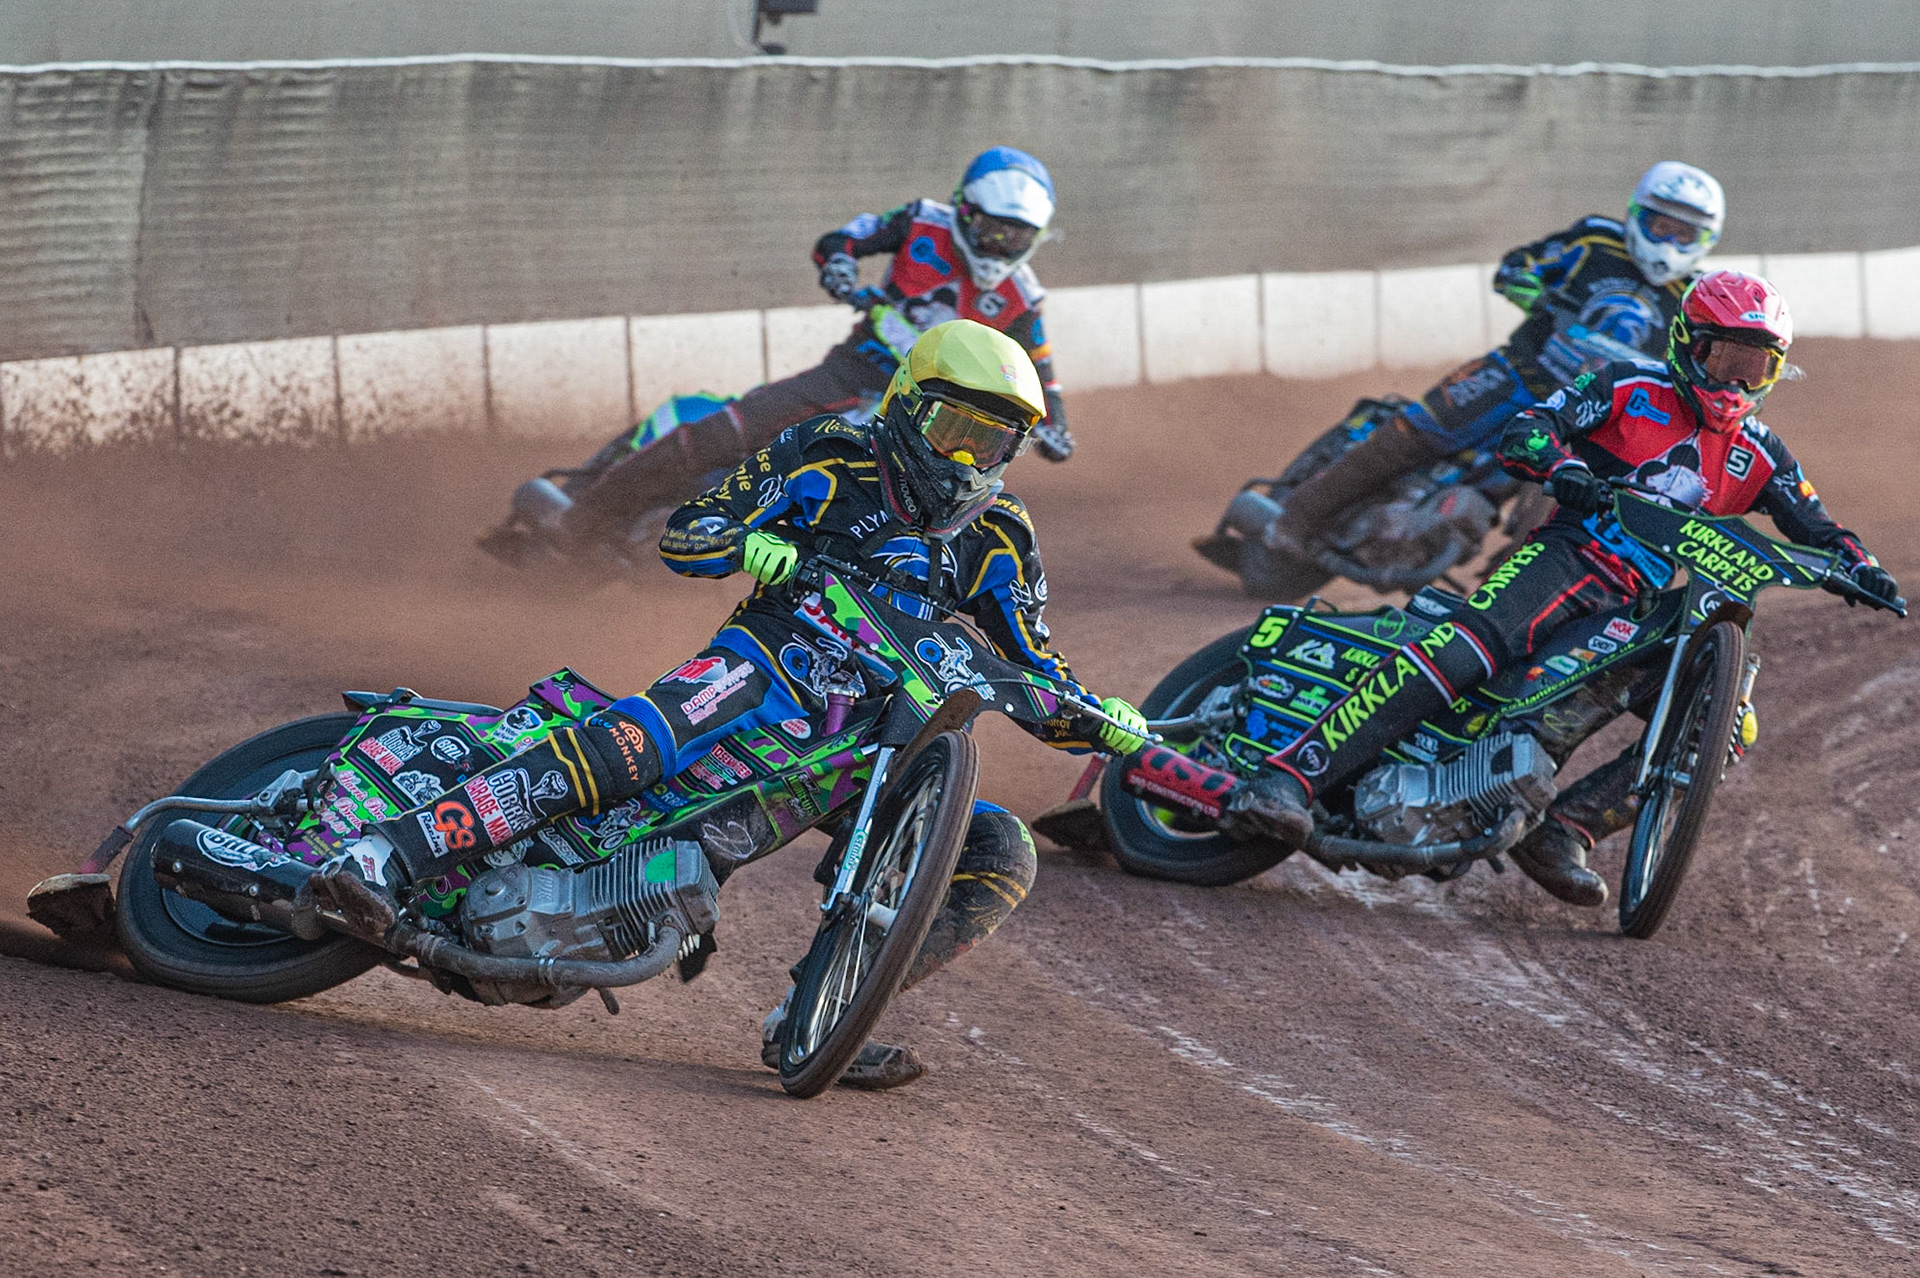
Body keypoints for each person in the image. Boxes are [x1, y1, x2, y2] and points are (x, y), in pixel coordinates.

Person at [320, 320, 1147, 1086]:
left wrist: (1104, 718)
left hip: (872, 733)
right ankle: (386, 855)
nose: (965, 457)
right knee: (644, 739)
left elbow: (1034, 662)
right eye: (950, 429)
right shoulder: (827, 451)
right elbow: (692, 528)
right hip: (763, 665)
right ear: (904, 404)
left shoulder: (1002, 534)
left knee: (1003, 851)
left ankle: (823, 1014)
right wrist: (744, 540)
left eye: (990, 439)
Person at [1222, 270, 1901, 904]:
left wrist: (1861, 567)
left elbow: (1818, 524)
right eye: (1728, 359)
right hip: (1570, 555)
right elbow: (1529, 430)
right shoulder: (1628, 385)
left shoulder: (1762, 452)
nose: (1740, 378)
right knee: (1466, 650)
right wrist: (1563, 467)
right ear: (1690, 346)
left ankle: (1563, 833)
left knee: (1721, 726)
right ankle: (1292, 772)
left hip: (1645, 602)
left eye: (1758, 365)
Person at [552, 146, 1075, 549]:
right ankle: (579, 523)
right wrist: (842, 268)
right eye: (991, 230)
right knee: (722, 433)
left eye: (1016, 237)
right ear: (964, 209)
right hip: (851, 375)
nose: (999, 247)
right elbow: (842, 240)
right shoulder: (921, 221)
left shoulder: (1021, 296)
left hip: (918, 419)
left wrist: (1056, 428)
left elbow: (1041, 375)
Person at [1261, 161, 1728, 560]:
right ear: (1636, 217)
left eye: (1684, 233)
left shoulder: (1695, 298)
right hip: (1518, 373)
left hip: (1583, 416)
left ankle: (1505, 589)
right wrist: (1525, 284)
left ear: (1705, 239)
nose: (1669, 240)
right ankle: (1296, 519)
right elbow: (1520, 264)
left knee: (1575, 505)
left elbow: (1707, 360)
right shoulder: (1595, 242)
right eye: (1660, 225)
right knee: (1413, 433)